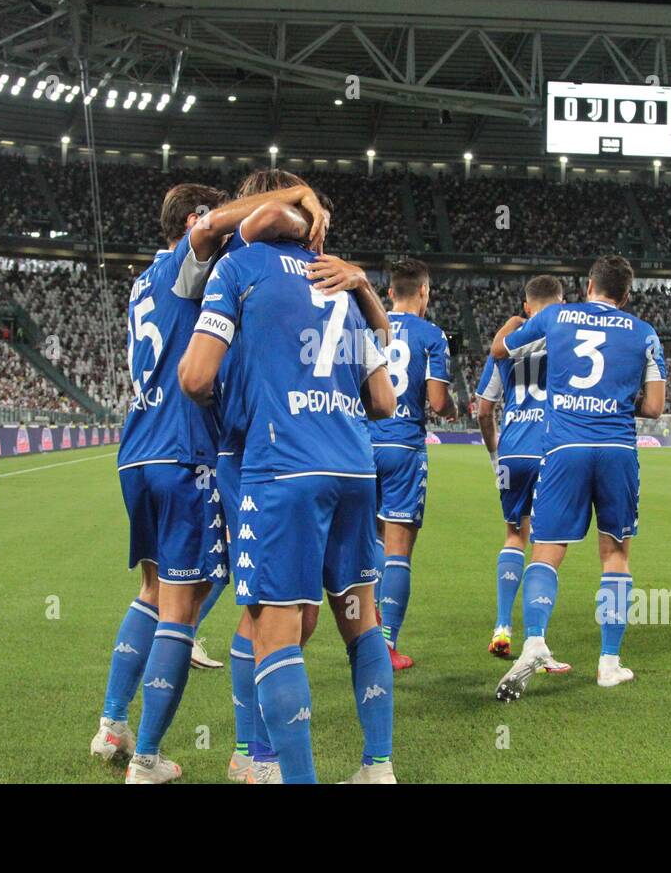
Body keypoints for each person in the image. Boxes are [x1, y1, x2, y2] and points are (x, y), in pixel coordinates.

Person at [91, 178, 329, 784]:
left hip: (137, 450)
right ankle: (148, 759)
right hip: (182, 451)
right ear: (199, 216)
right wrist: (296, 196)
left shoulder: (145, 281)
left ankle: (112, 724)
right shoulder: (188, 258)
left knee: (153, 591)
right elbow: (211, 230)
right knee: (184, 602)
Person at [180, 195, 398, 784]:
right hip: (354, 466)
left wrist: (230, 399)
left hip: (281, 466)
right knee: (361, 620)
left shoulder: (240, 267)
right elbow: (384, 402)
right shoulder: (336, 280)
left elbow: (196, 376)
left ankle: (278, 768)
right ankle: (378, 766)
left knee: (274, 628)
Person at [491, 255, 665, 699]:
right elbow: (654, 408)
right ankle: (608, 662)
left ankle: (533, 641)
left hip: (564, 447)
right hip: (617, 451)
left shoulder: (554, 316)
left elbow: (500, 351)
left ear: (588, 285)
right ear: (625, 295)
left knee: (546, 551)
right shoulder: (644, 333)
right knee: (615, 554)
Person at [474, 274, 569, 673]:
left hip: (513, 450)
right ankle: (536, 640)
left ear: (527, 308)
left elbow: (482, 410)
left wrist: (496, 454)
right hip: (552, 450)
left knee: (515, 534)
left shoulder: (505, 350)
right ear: (561, 303)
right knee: (545, 543)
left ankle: (501, 626)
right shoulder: (569, 340)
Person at [369, 259, 456, 671]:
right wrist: (453, 405)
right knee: (398, 551)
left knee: (369, 545)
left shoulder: (367, 324)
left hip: (362, 445)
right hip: (404, 448)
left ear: (389, 292)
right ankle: (387, 644)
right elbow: (439, 402)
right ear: (424, 291)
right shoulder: (432, 335)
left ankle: (365, 637)